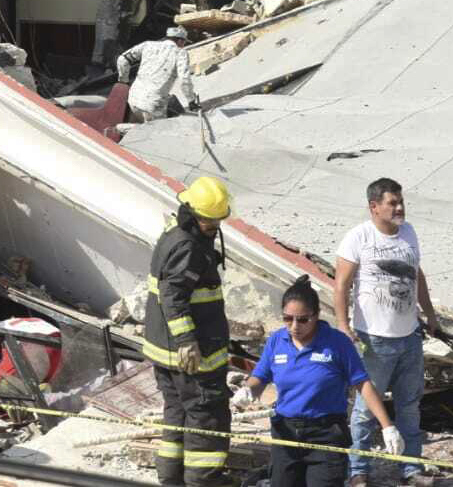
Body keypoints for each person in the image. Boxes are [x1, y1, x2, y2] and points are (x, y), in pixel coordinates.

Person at [232, 276, 403, 487]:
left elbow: (363, 384)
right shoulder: (277, 340)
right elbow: (261, 376)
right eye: (287, 318)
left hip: (325, 434)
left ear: (316, 316)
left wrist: (387, 426)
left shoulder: (336, 343)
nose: (295, 326)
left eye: (303, 319)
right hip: (286, 433)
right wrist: (248, 390)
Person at [334, 178, 442, 487]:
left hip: (409, 337)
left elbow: (416, 274)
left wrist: (429, 313)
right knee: (367, 408)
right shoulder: (359, 238)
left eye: (401, 202)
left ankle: (411, 469)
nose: (399, 208)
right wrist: (343, 327)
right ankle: (358, 470)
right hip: (374, 339)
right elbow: (341, 285)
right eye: (392, 203)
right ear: (374, 206)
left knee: (409, 405)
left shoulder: (408, 234)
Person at [144, 176, 234, 487]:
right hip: (191, 354)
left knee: (177, 414)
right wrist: (187, 341)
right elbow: (173, 294)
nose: (215, 224)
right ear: (195, 213)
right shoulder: (189, 246)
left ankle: (171, 480)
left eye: (218, 218)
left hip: (164, 349)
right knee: (207, 417)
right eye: (211, 219)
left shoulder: (175, 232)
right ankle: (203, 481)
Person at [116, 26, 198, 122]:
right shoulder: (180, 53)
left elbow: (122, 60)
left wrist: (124, 81)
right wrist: (191, 101)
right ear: (180, 41)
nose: (183, 45)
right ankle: (119, 129)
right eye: (184, 42)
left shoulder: (147, 45)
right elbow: (184, 79)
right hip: (153, 106)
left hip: (132, 100)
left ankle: (121, 129)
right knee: (158, 133)